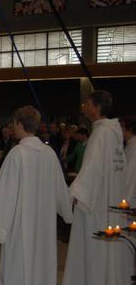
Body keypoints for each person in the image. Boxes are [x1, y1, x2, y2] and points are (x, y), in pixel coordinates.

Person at [0, 106, 73, 285]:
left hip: (21, 226)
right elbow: (61, 189)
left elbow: (5, 194)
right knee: (41, 267)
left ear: (19, 124)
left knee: (19, 267)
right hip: (44, 225)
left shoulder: (17, 154)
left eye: (13, 123)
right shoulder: (49, 154)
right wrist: (68, 209)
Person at [63, 91, 130, 285]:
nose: (84, 107)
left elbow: (91, 170)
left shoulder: (100, 134)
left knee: (93, 250)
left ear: (97, 107)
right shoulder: (115, 135)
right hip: (110, 200)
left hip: (96, 205)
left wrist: (73, 194)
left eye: (87, 104)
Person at [122, 116, 136, 205]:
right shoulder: (129, 145)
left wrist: (125, 202)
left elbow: (131, 176)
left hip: (130, 199)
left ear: (129, 129)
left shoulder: (134, 147)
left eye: (122, 127)